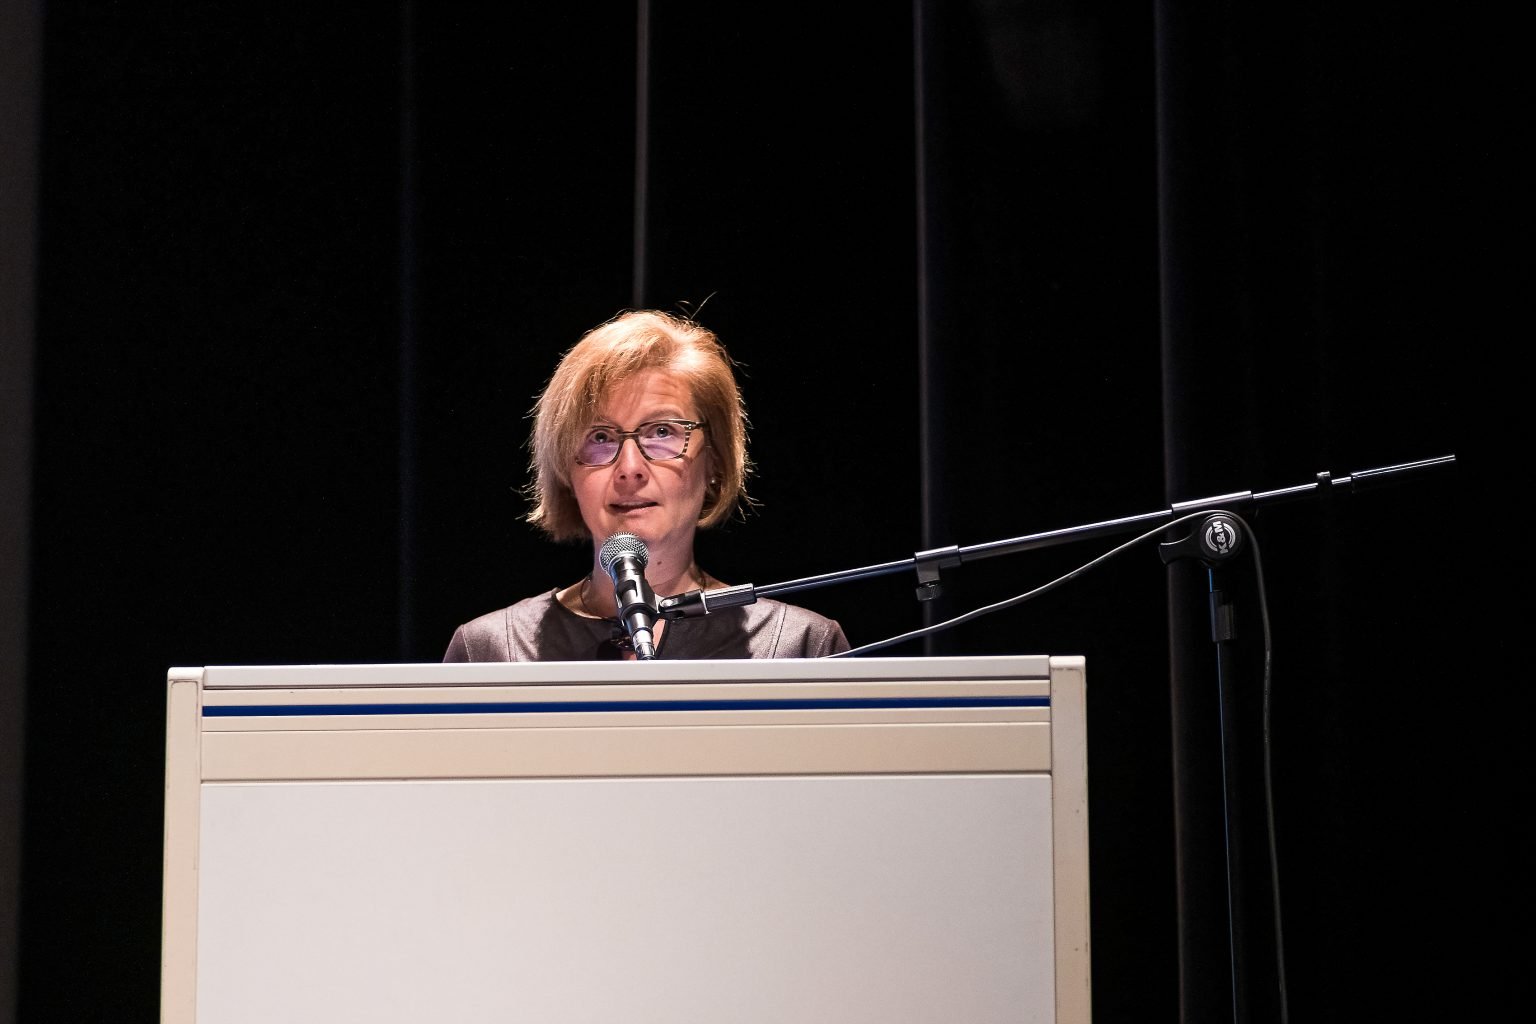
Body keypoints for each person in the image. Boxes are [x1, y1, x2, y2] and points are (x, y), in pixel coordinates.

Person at [442, 309, 849, 661]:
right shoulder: (491, 651)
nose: (630, 468)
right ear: (566, 470)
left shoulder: (798, 646)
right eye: (600, 438)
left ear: (715, 460)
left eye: (662, 432)